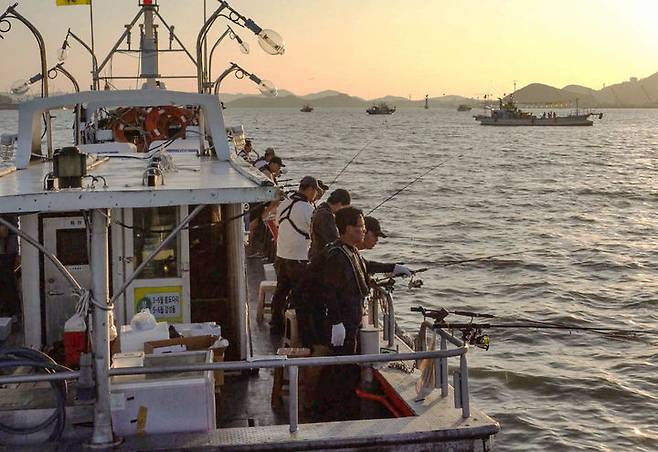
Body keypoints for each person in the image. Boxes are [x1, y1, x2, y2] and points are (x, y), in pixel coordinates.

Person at [270, 176, 320, 334]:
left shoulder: (284, 203)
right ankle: (302, 332)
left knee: (281, 292)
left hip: (280, 256)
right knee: (300, 296)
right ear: (310, 189)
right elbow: (314, 232)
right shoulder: (307, 209)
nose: (316, 195)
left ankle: (275, 325)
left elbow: (278, 223)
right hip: (298, 258)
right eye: (316, 192)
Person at [308, 188, 351, 260]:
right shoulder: (326, 216)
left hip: (314, 253)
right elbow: (333, 240)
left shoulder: (320, 208)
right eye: (344, 209)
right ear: (339, 204)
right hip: (320, 258)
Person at [0, 215, 20, 318]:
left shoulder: (6, 209)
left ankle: (13, 313)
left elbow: (4, 231)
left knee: (7, 282)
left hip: (6, 254)